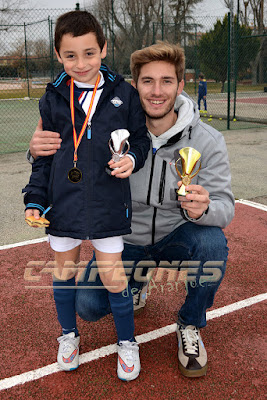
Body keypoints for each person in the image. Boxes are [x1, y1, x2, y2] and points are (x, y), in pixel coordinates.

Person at [28, 41, 235, 379]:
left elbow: (226, 207)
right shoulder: (111, 128)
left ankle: (190, 324)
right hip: (125, 238)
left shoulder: (207, 140)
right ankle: (136, 285)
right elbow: (69, 155)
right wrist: (35, 151)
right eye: (147, 81)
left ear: (180, 86)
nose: (156, 91)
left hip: (177, 234)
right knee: (88, 307)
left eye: (167, 81)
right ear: (133, 85)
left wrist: (204, 208)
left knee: (212, 244)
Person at [23, 10, 150, 381]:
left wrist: (132, 158)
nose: (81, 63)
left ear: (104, 49)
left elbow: (140, 141)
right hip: (63, 204)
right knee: (64, 273)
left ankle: (127, 342)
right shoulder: (52, 98)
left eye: (90, 53)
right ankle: (68, 336)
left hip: (109, 203)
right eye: (71, 55)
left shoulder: (124, 93)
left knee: (113, 278)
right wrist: (34, 199)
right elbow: (44, 158)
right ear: (59, 56)